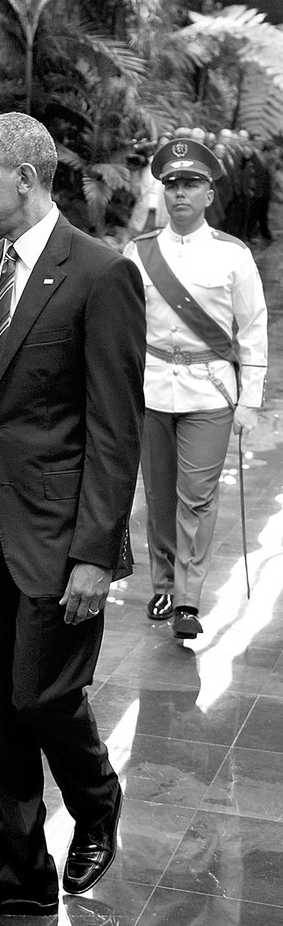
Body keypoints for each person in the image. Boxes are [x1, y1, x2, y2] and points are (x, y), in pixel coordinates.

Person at [0, 112, 146, 920]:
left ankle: (96, 798)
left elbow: (115, 429)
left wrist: (97, 551)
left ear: (26, 176)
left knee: (40, 694)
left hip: (59, 533)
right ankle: (19, 872)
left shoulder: (99, 271)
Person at [124, 139, 268, 638]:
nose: (180, 193)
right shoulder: (138, 253)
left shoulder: (233, 255)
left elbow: (252, 328)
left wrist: (251, 398)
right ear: (162, 192)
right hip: (152, 389)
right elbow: (122, 328)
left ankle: (188, 599)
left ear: (209, 193)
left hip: (210, 392)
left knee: (198, 497)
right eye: (172, 185)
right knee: (160, 497)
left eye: (191, 184)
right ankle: (164, 582)